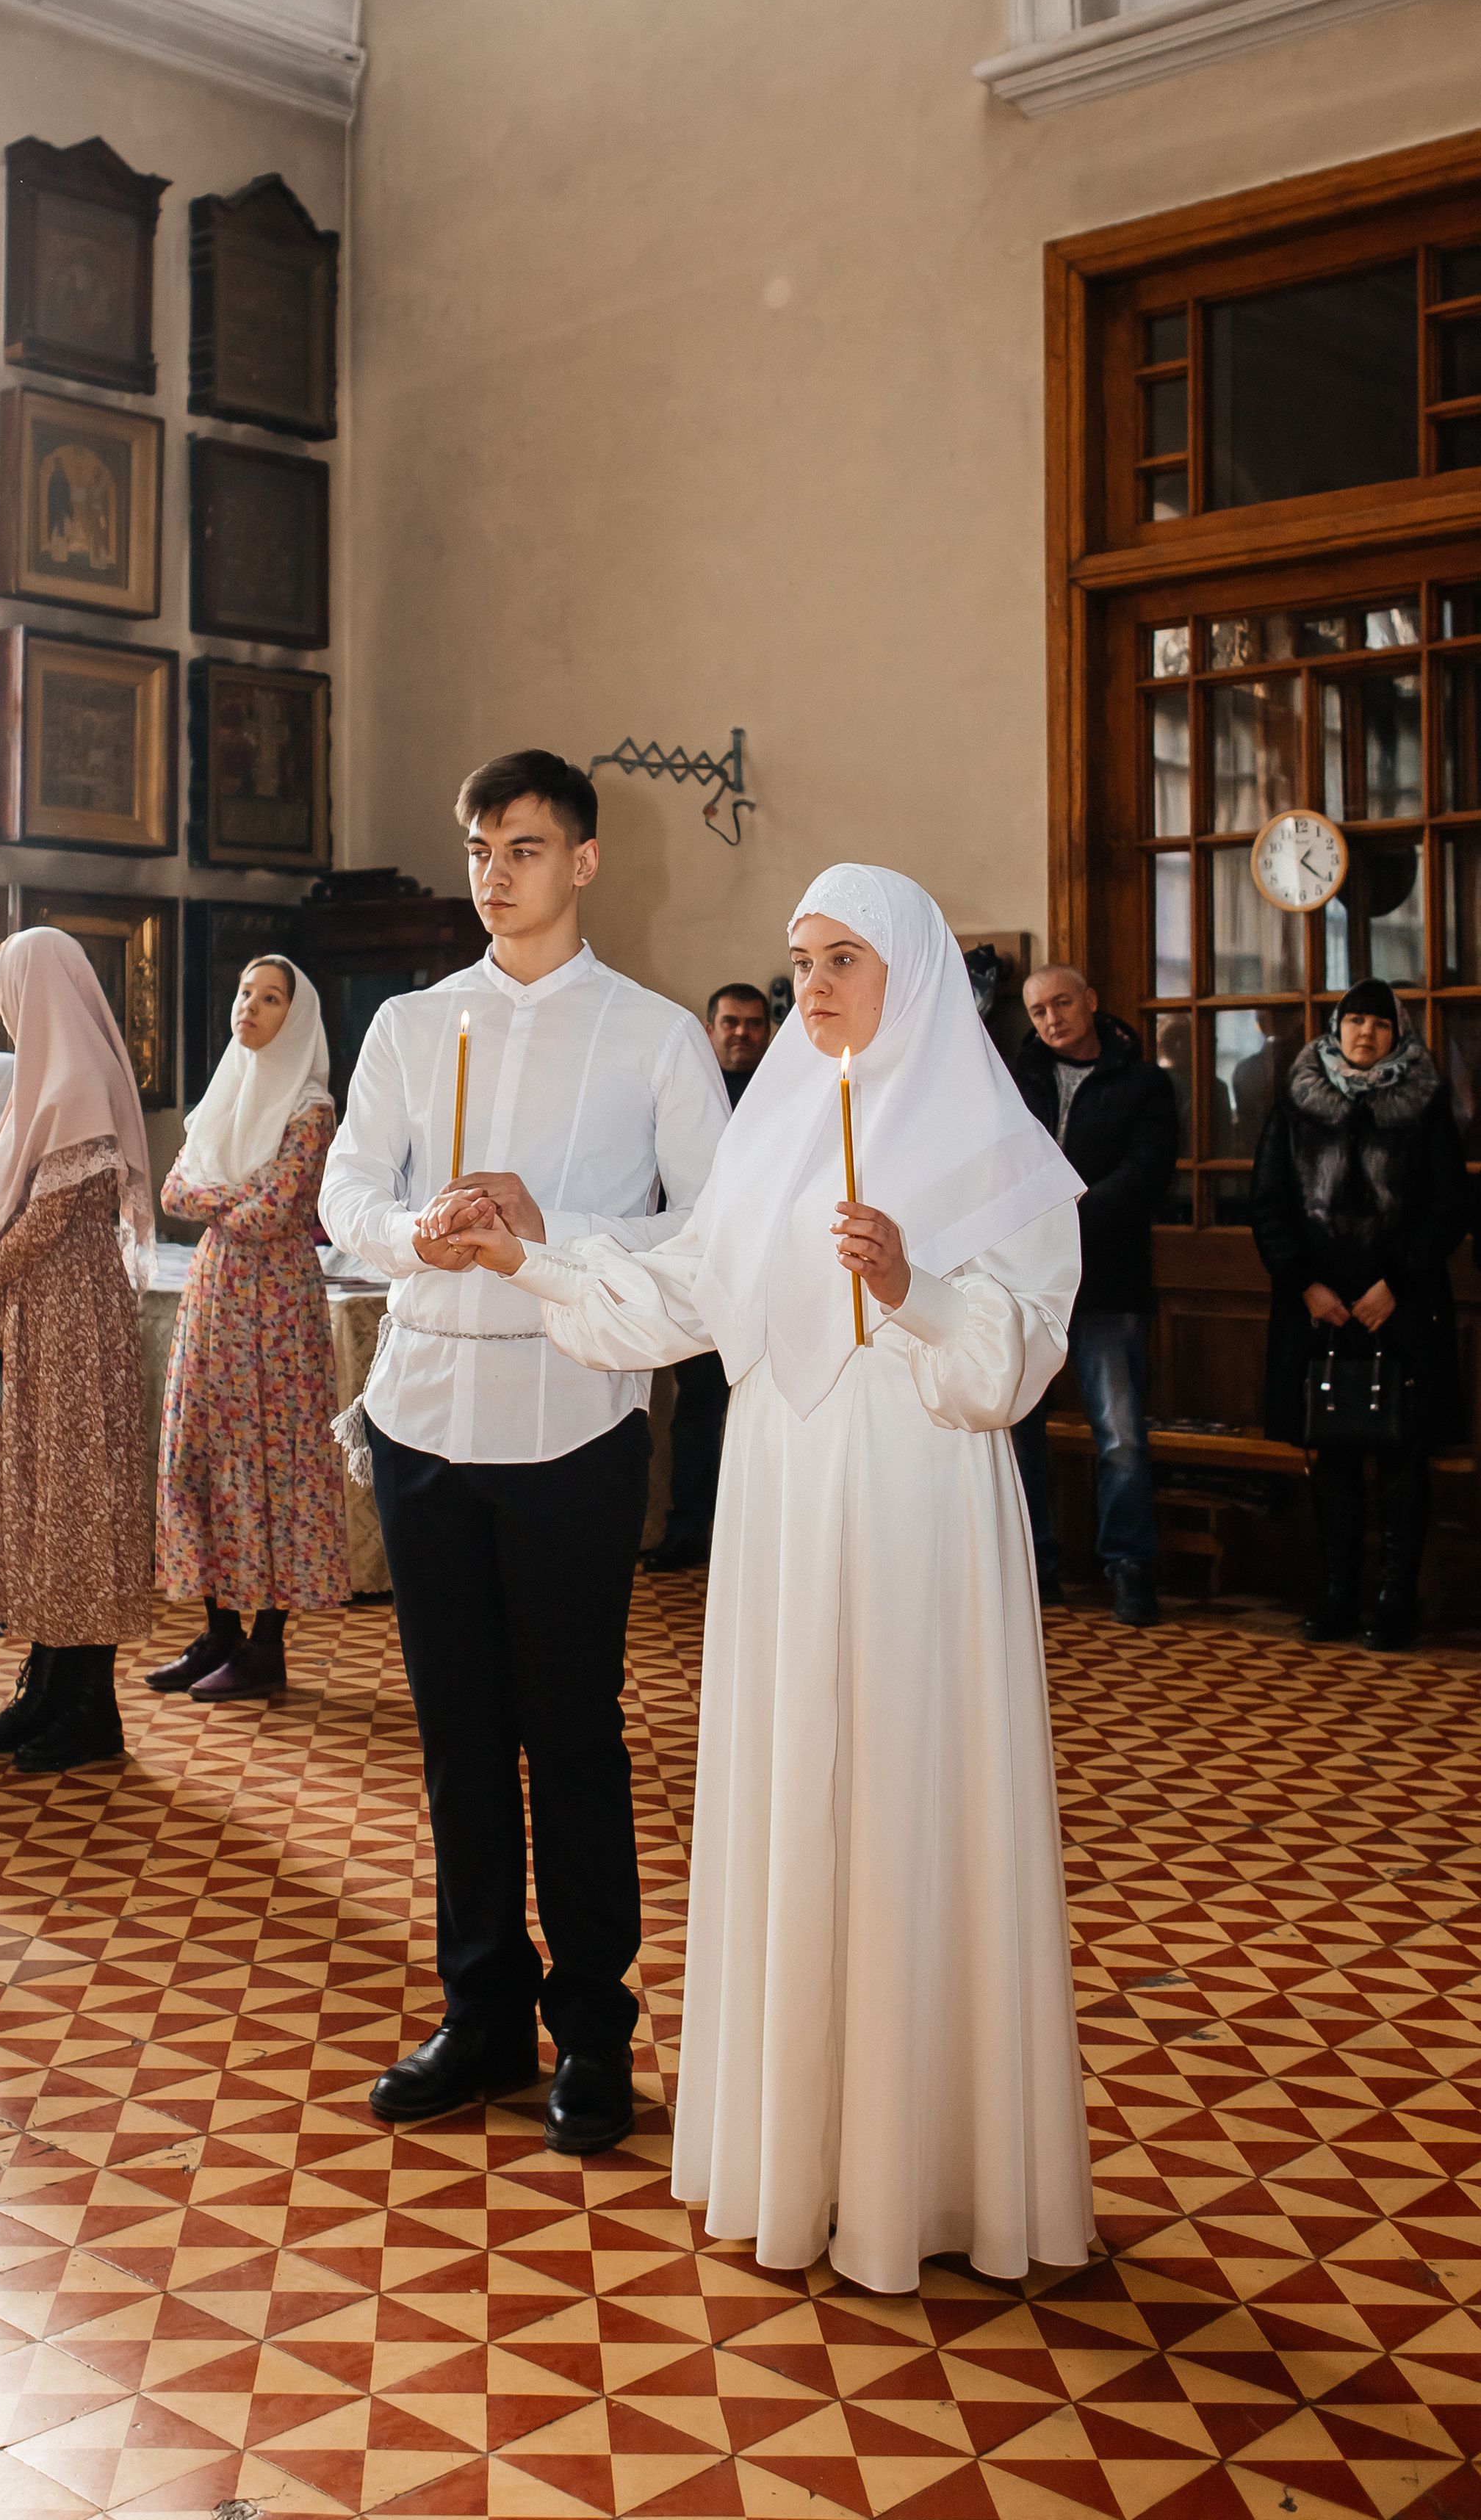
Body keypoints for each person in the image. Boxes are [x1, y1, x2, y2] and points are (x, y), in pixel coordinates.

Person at [439, 862, 1094, 2290]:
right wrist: (530, 1260)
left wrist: (914, 1289)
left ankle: (934, 2171)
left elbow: (1009, 1366)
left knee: (911, 1796)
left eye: (840, 957)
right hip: (787, 1513)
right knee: (803, 1793)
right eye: (798, 957)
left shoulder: (998, 1155)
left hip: (921, 1511)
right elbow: (682, 1289)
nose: (809, 984)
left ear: (910, 972)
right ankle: (791, 2160)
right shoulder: (776, 1131)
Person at [320, 750, 729, 2156]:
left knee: (572, 1736)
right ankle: (481, 2011)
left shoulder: (656, 1034)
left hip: (572, 1418)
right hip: (425, 1411)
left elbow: (715, 1231)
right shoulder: (409, 1025)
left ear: (587, 863)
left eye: (529, 847)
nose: (498, 872)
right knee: (455, 1741)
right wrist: (413, 1231)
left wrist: (553, 1234)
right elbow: (346, 1192)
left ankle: (594, 2031)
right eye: (484, 846)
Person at [0, 928, 155, 1774]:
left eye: (8, 986)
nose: (3, 1004)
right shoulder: (34, 1085)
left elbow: (48, 1220)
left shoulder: (77, 1080)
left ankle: (91, 1708)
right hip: (31, 1321)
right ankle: (45, 1687)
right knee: (40, 1497)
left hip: (74, 1317)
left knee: (79, 1500)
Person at [148, 954, 348, 1699]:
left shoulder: (310, 1108)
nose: (251, 1008)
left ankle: (265, 1646)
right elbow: (173, 1188)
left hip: (274, 1307)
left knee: (268, 1463)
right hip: (214, 1294)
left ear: (293, 1017)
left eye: (269, 999)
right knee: (205, 1451)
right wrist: (226, 1198)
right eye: (244, 993)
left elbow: (275, 1209)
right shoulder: (223, 1092)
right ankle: (218, 1632)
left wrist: (218, 1198)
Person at [1250, 979, 1466, 1650]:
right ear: (1336, 1030)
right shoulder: (1295, 1102)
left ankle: (1395, 1599)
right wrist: (1305, 1283)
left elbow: (1449, 1205)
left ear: (1395, 1033)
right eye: (1354, 1022)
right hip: (1318, 1311)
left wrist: (1395, 1281)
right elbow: (1268, 1205)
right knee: (1332, 1452)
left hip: (1401, 1308)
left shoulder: (1426, 1104)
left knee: (1403, 1455)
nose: (1364, 1033)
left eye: (1378, 1023)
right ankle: (1339, 1591)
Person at [1009, 964, 1178, 1626]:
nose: (1052, 1018)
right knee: (1020, 1426)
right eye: (1039, 1010)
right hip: (1023, 1284)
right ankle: (1035, 1564)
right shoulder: (1014, 1082)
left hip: (1106, 1281)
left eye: (1062, 1003)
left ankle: (1130, 1568)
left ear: (1092, 1001)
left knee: (1121, 1437)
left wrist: (1065, 1219)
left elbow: (1145, 1173)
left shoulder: (1142, 1082)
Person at [643, 981, 774, 1572]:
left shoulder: (783, 1092)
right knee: (696, 1412)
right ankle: (689, 1527)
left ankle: (757, 1540)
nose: (742, 1033)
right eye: (730, 1022)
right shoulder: (686, 1089)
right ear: (709, 1028)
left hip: (767, 1278)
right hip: (699, 1271)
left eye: (754, 1023)